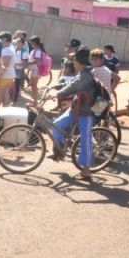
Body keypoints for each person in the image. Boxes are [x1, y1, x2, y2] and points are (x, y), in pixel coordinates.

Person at [51, 46, 96, 180]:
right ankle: (60, 150)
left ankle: (86, 169)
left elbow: (73, 86)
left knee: (85, 139)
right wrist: (55, 87)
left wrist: (58, 93)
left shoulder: (86, 75)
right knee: (56, 124)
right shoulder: (82, 72)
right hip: (76, 108)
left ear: (79, 62)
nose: (73, 63)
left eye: (74, 60)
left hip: (87, 111)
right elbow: (72, 83)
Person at [0, 33, 16, 111]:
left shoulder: (6, 50)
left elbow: (5, 65)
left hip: (4, 75)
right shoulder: (9, 48)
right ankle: (5, 110)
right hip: (8, 75)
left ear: (5, 40)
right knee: (5, 92)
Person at [26, 36, 47, 106]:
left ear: (34, 43)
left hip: (36, 71)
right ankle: (34, 101)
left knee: (34, 86)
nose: (31, 43)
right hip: (34, 70)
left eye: (32, 42)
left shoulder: (37, 50)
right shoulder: (36, 49)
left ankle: (35, 102)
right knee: (33, 86)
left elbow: (37, 60)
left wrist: (28, 63)